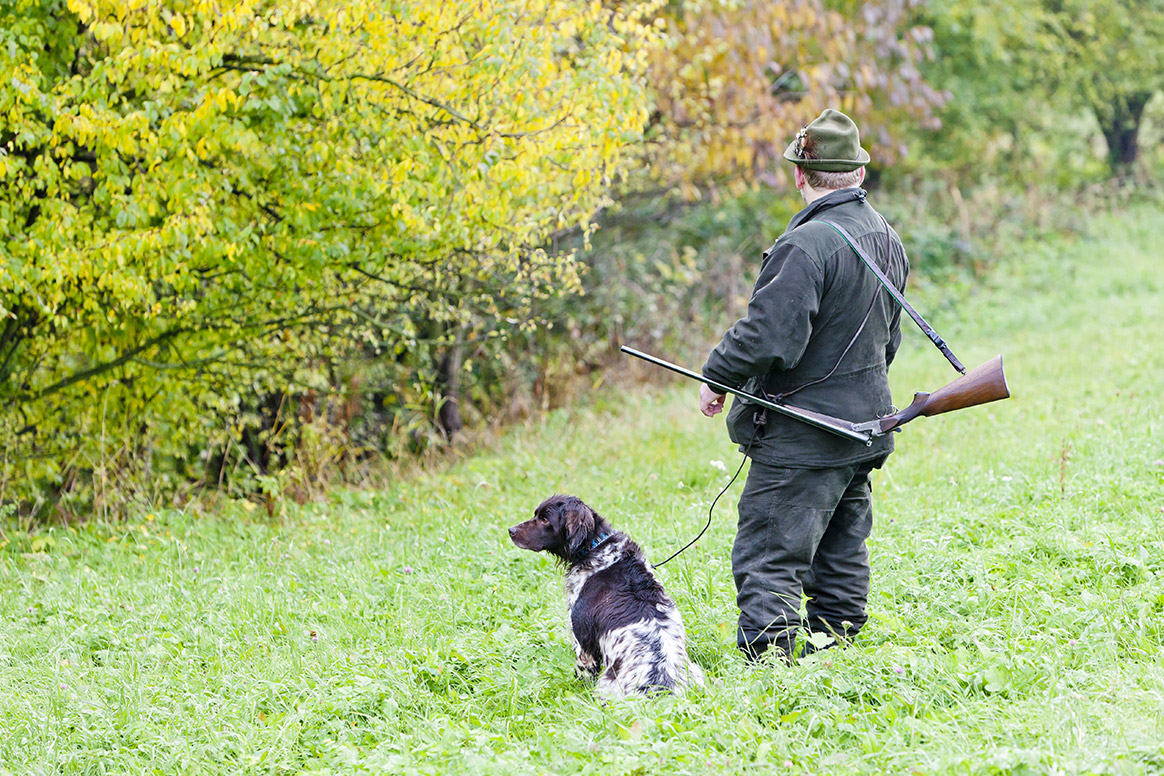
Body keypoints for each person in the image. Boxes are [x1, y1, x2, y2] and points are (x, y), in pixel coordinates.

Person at [698, 108, 909, 661]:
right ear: (858, 174)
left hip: (802, 436)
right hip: (864, 427)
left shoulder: (805, 245)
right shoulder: (885, 236)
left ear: (799, 175)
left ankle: (771, 671)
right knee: (842, 551)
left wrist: (716, 374)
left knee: (769, 555)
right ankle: (835, 657)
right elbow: (889, 341)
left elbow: (769, 338)